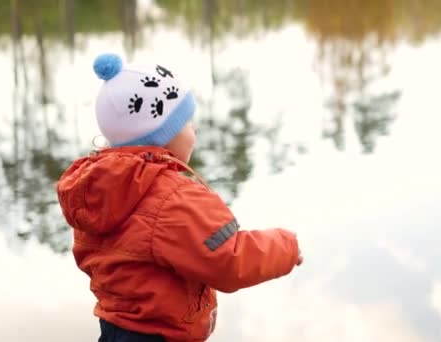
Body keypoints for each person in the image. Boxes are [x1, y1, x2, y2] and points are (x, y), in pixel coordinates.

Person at [56, 53, 303, 342]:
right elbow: (229, 259)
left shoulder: (99, 188)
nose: (193, 129)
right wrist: (287, 246)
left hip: (114, 330)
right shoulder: (170, 198)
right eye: (186, 123)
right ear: (162, 135)